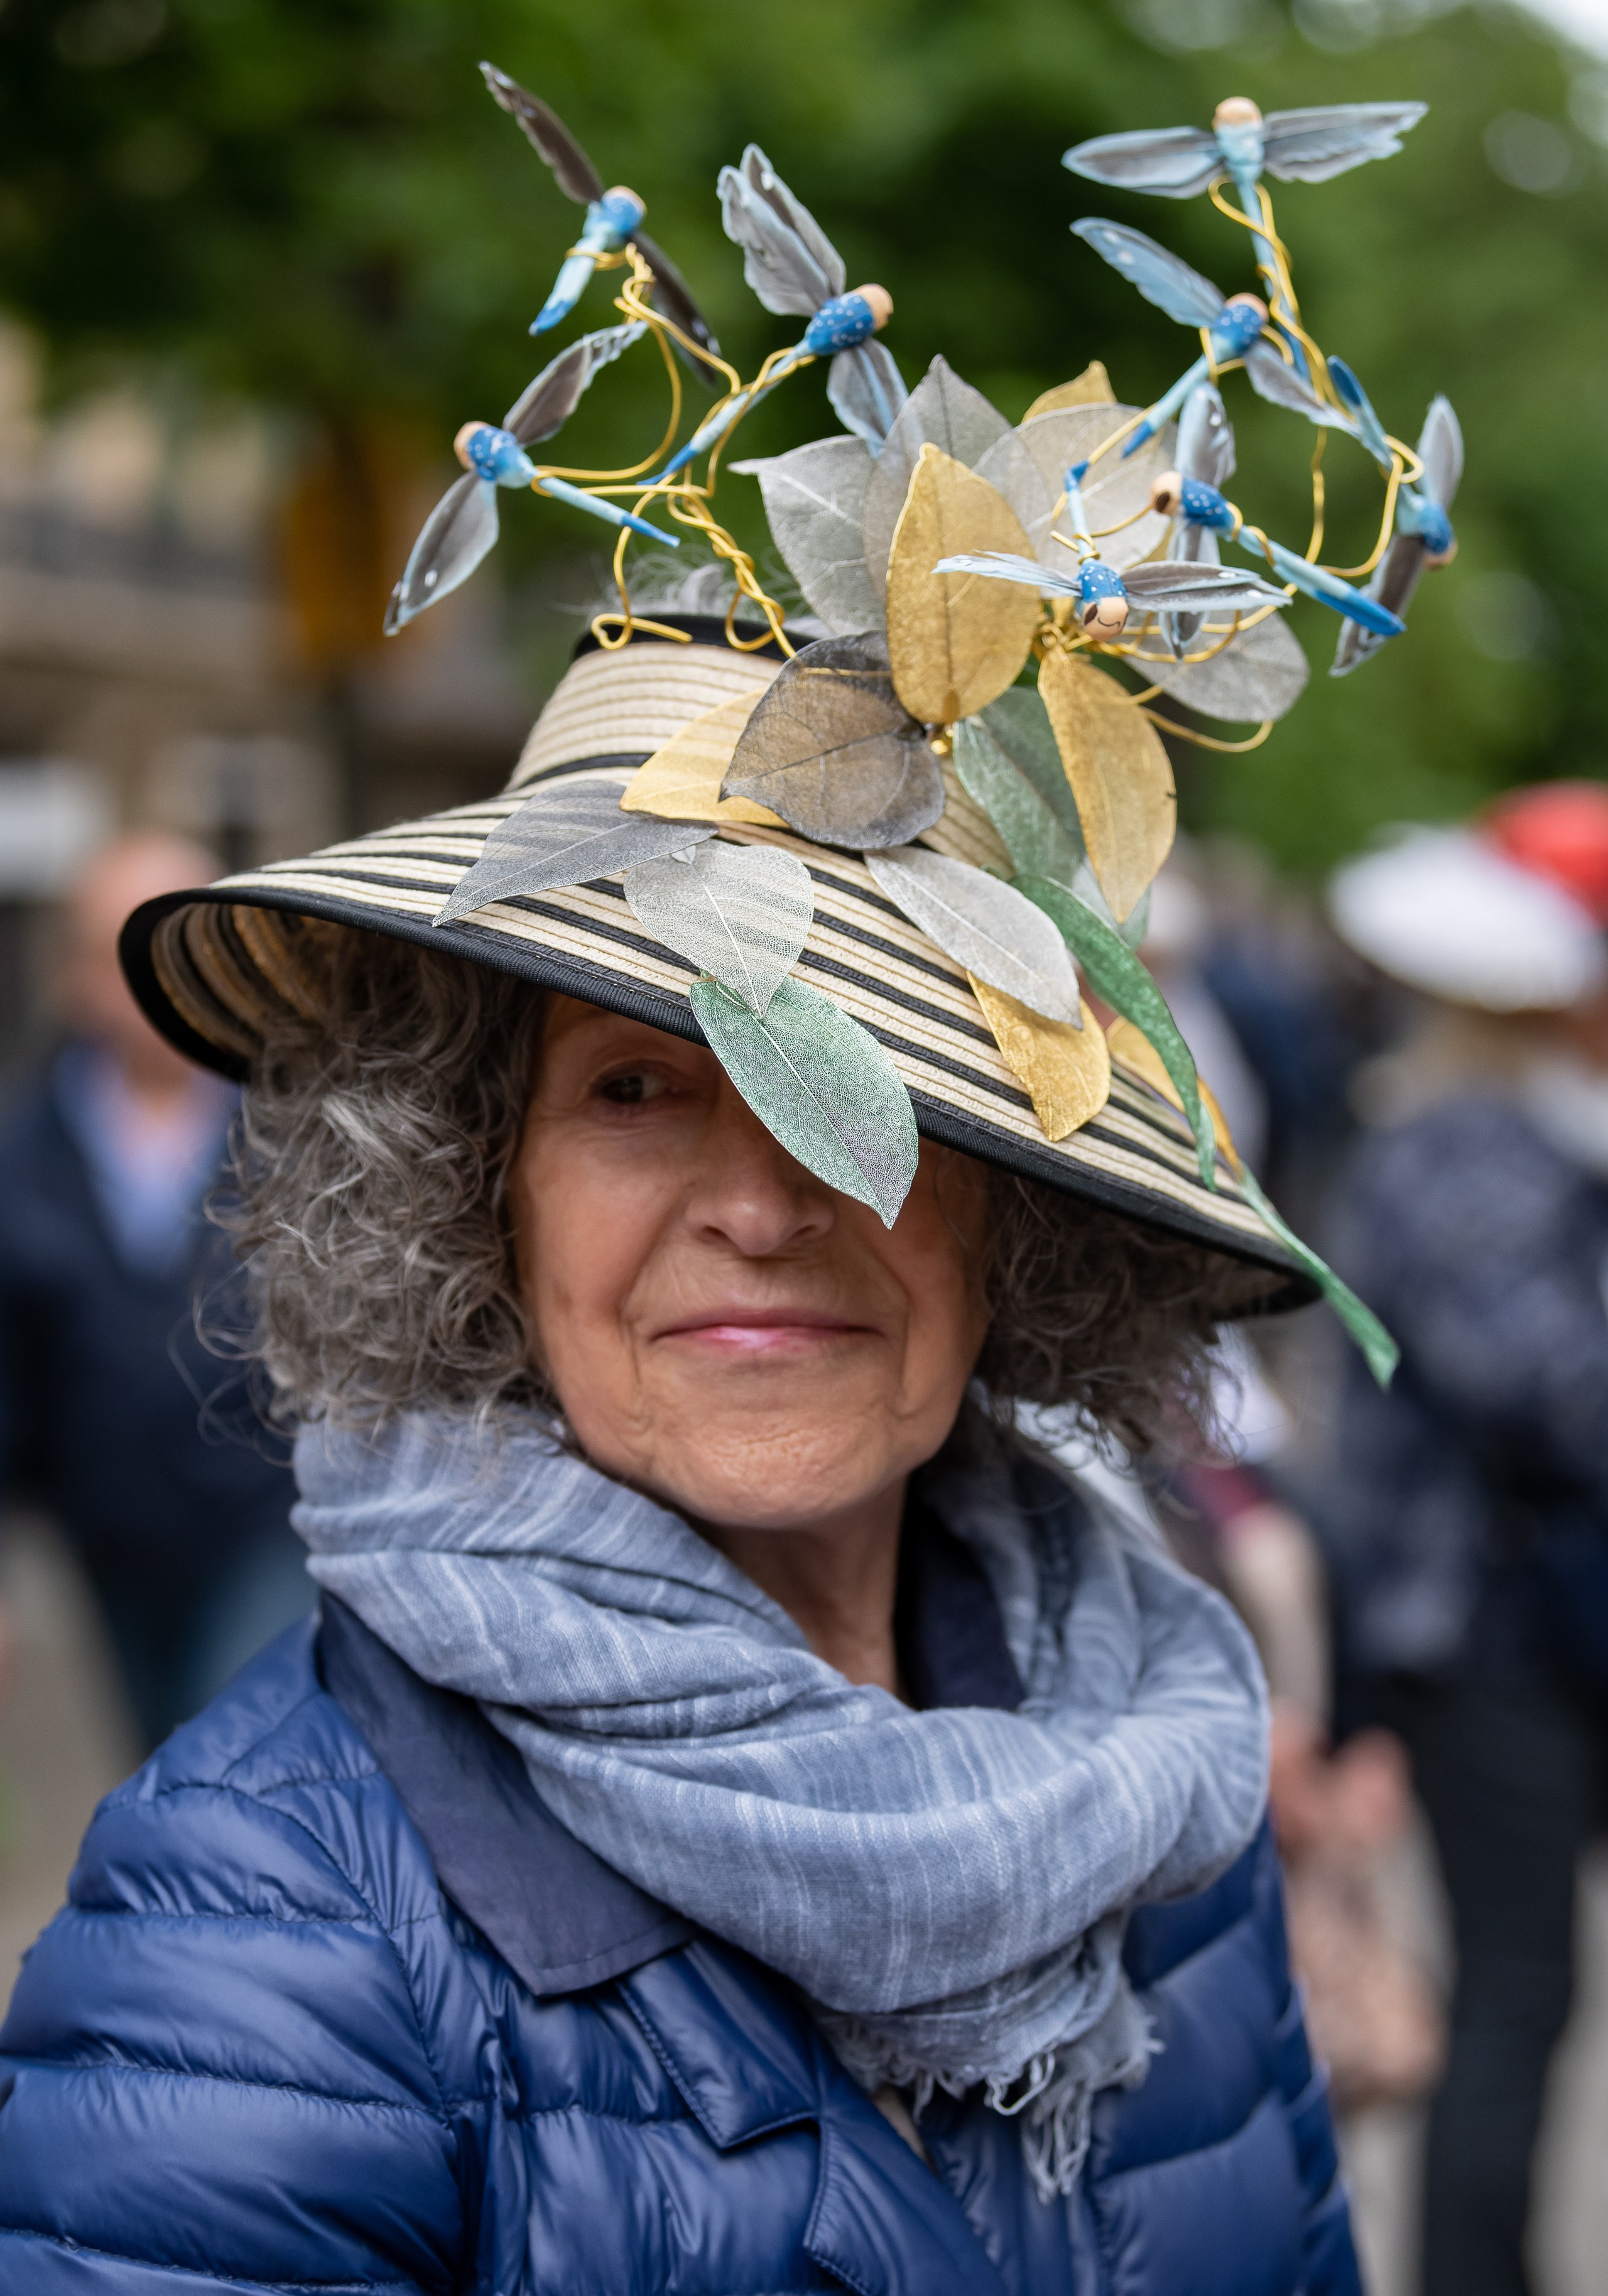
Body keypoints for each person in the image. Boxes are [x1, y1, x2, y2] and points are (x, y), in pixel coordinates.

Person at [0, 614, 1359, 2296]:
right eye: (638, 1088)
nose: (761, 1201)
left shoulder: (1173, 1801)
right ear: (475, 1197)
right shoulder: (250, 1928)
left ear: (1016, 1212)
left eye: (869, 1078)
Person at [1315, 784, 1608, 2296]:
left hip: (1496, 1619)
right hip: (1472, 1627)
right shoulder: (1473, 1147)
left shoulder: (1484, 1132)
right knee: (1511, 1993)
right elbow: (1555, 1393)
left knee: (1521, 1989)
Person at [0, 833, 305, 1752]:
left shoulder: (297, 1130)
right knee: (158, 1753)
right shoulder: (28, 1154)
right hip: (111, 1538)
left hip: (269, 1525)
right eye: (119, 953)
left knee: (230, 1741)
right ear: (77, 977)